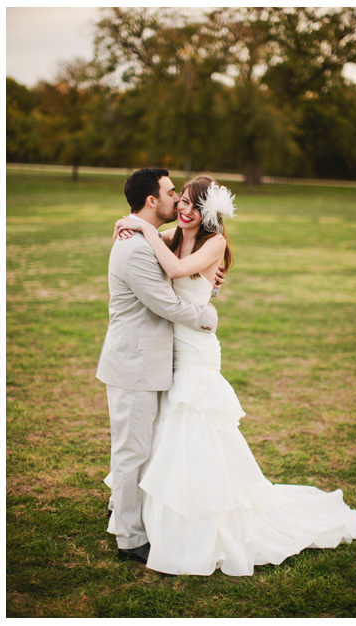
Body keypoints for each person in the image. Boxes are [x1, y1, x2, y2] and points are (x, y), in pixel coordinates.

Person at [111, 175, 356, 576]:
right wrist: (142, 231)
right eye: (181, 200)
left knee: (194, 430)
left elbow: (175, 271)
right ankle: (155, 519)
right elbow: (159, 265)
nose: (183, 207)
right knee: (165, 434)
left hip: (196, 351)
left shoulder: (215, 242)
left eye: (193, 203)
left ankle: (202, 521)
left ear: (209, 211)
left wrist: (143, 227)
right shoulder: (173, 234)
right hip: (169, 350)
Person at [97, 168, 220, 565]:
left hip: (151, 361)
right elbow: (166, 304)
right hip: (134, 364)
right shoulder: (135, 248)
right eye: (172, 193)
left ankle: (124, 509)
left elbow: (184, 267)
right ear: (153, 201)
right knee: (132, 450)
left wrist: (209, 281)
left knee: (142, 447)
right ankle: (130, 538)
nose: (177, 201)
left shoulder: (150, 238)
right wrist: (208, 316)